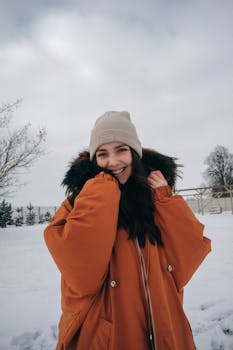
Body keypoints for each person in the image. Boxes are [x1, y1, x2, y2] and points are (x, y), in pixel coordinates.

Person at [44, 111, 211, 350]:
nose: (113, 162)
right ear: (94, 160)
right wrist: (103, 189)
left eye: (121, 150)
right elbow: (82, 274)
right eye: (103, 154)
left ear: (134, 153)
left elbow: (187, 258)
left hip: (164, 328)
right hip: (108, 336)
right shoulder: (79, 202)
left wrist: (166, 202)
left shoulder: (155, 199)